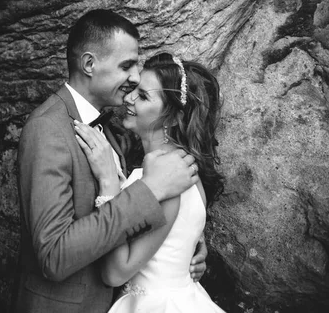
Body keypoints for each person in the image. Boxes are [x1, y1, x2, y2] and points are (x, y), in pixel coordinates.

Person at [12, 10, 208, 313]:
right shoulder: (48, 129)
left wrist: (185, 249)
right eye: (127, 65)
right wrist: (151, 190)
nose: (133, 78)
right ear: (89, 64)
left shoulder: (109, 130)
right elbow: (53, 257)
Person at [74, 52, 225, 312]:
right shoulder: (180, 165)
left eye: (143, 96)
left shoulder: (170, 178)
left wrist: (109, 185)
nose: (129, 98)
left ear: (174, 117)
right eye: (135, 89)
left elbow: (114, 274)